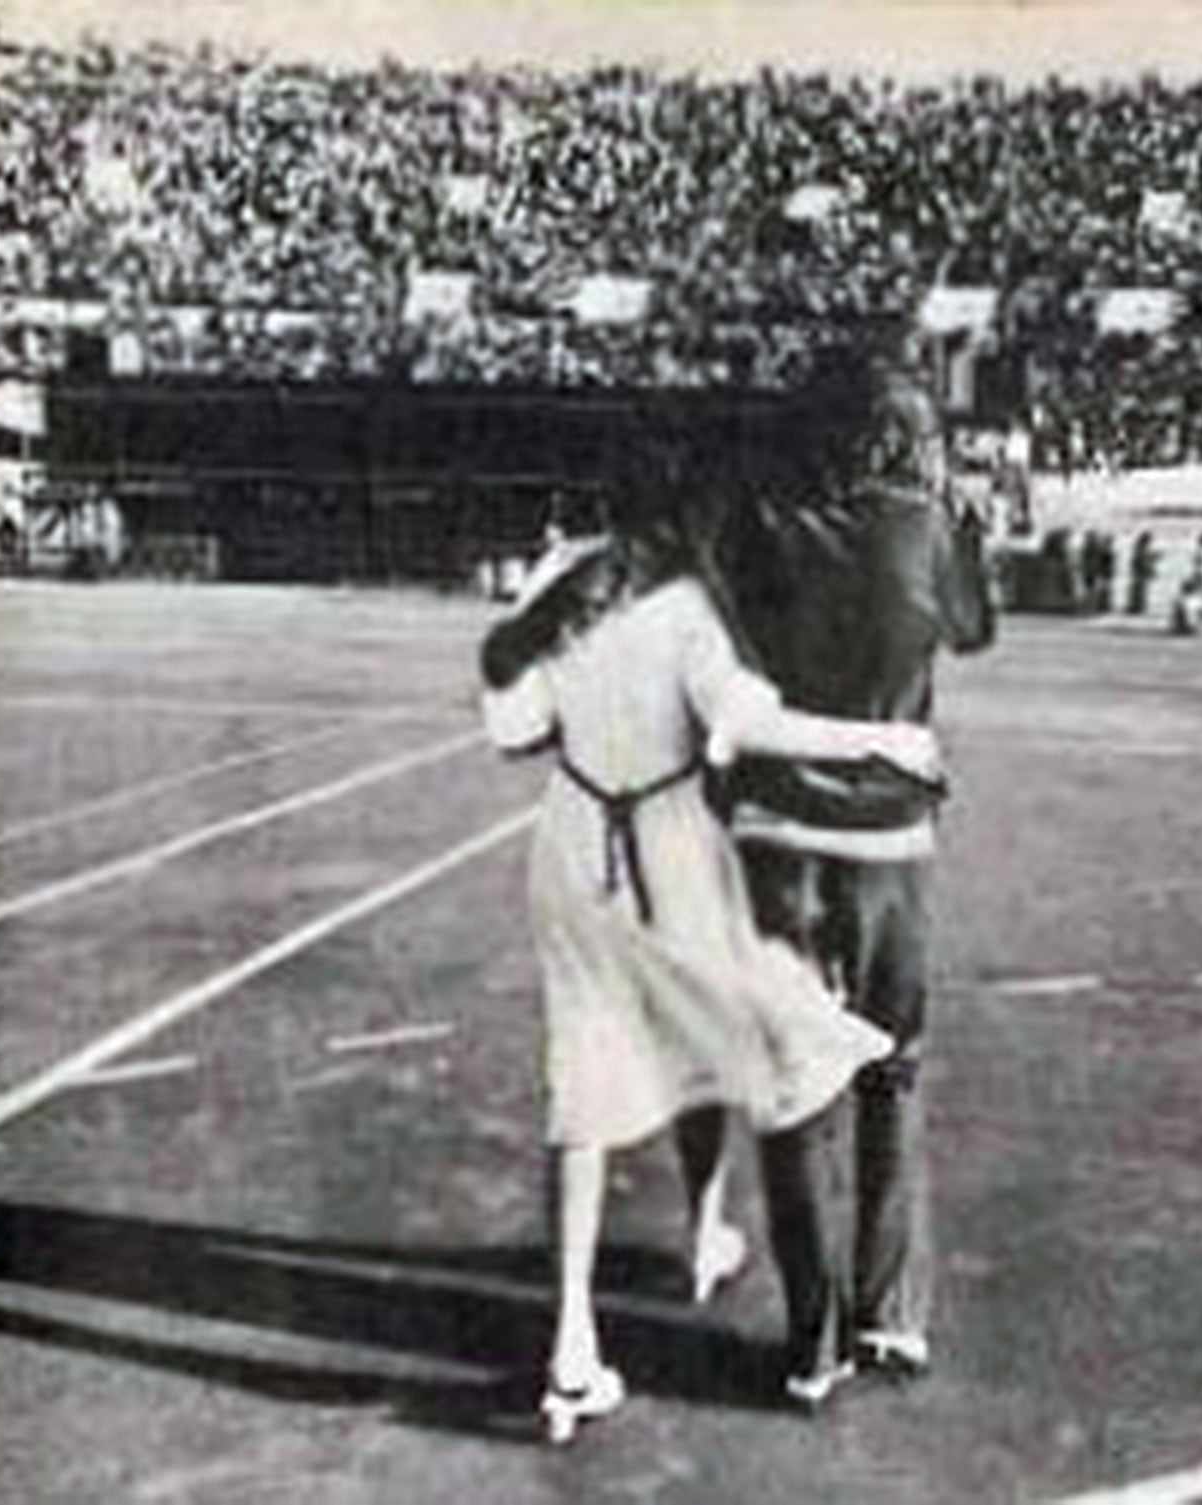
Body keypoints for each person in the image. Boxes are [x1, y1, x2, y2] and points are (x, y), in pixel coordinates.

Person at [478, 502, 942, 1445]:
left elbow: (509, 724)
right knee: (769, 1038)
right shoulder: (684, 606)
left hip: (571, 845)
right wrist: (883, 741)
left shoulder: (556, 581)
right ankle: (728, 1247)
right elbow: (755, 723)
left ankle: (579, 1333)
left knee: (584, 1088)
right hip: (667, 843)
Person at [720, 365, 995, 1404]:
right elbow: (971, 627)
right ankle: (893, 1315)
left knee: (795, 1088)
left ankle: (815, 1339)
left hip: (777, 833)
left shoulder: (761, 522)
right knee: (893, 1068)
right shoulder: (919, 526)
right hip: (886, 835)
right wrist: (959, 522)